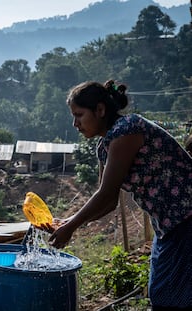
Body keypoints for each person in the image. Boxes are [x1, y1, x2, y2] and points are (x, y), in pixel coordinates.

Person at [46, 80, 192, 310]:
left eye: (79, 115)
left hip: (186, 218)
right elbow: (108, 203)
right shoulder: (105, 146)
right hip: (168, 225)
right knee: (163, 294)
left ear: (100, 110)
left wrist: (72, 226)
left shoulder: (128, 130)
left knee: (171, 298)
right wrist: (68, 222)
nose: (75, 124)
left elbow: (105, 194)